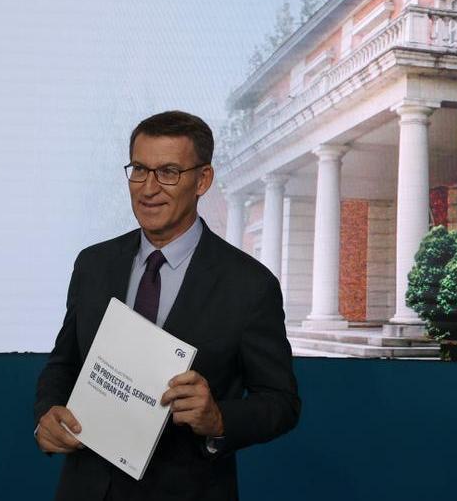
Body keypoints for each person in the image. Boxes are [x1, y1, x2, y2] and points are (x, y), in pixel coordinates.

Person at [34, 110, 300, 501]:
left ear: (202, 180)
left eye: (169, 172)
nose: (148, 188)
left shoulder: (250, 285)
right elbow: (64, 363)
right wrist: (47, 414)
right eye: (139, 169)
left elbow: (282, 403)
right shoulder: (93, 264)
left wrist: (219, 418)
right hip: (85, 488)